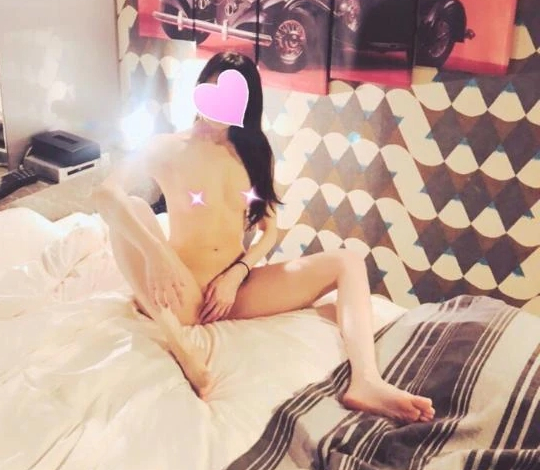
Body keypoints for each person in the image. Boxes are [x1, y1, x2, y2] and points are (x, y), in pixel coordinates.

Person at [93, 51, 434, 424]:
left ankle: (366, 381)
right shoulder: (167, 146)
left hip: (235, 292)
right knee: (133, 211)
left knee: (347, 261)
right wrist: (156, 254)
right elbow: (105, 194)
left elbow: (270, 230)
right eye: (212, 89)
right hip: (183, 293)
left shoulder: (254, 153)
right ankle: (179, 344)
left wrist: (237, 272)